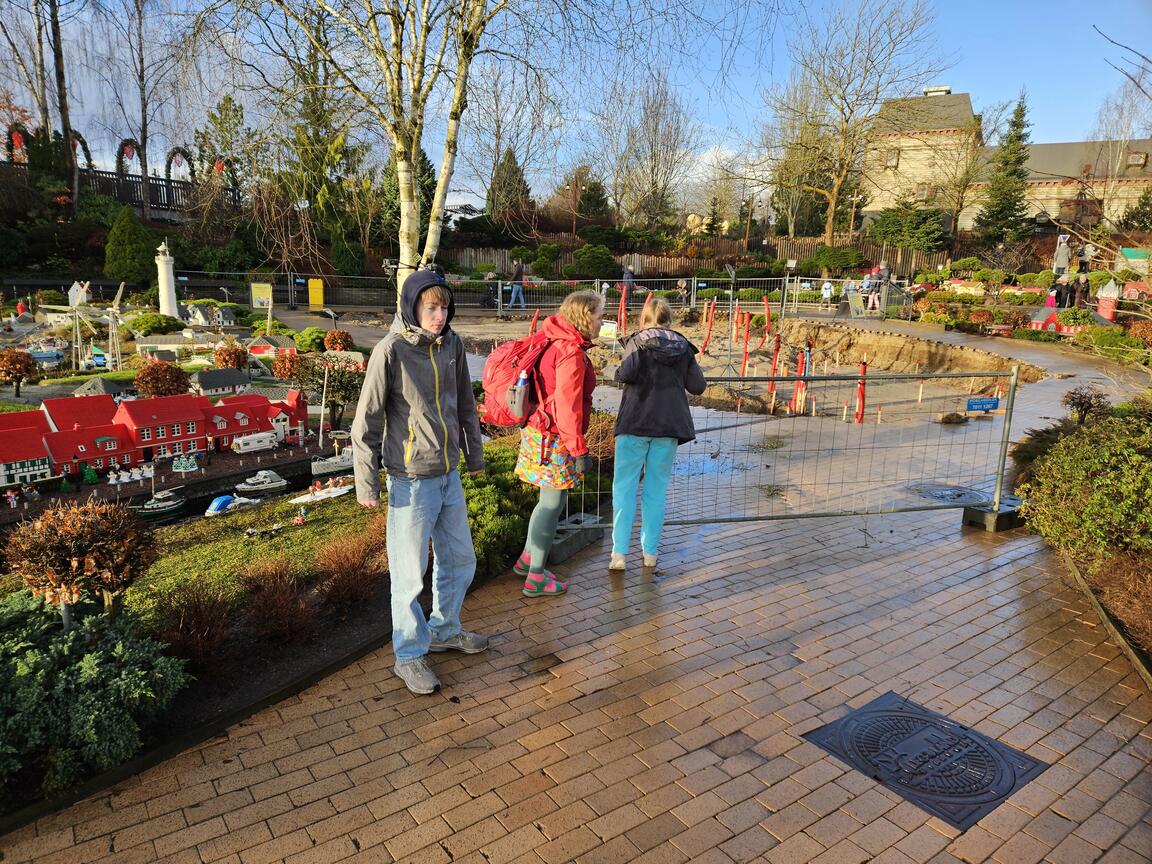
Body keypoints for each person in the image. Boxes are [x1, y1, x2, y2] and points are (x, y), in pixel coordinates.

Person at [351, 270, 487, 696]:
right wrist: (366, 485)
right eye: (431, 307)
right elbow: (365, 423)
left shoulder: (453, 345)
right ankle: (409, 655)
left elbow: (466, 404)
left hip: (449, 476)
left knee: (460, 560)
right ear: (412, 306)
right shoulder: (390, 351)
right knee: (410, 575)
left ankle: (445, 629)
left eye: (444, 306)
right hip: (410, 480)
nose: (439, 314)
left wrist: (475, 457)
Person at [512, 290, 604, 597]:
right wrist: (579, 449)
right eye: (600, 316)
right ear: (585, 317)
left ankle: (528, 559)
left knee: (550, 502)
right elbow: (567, 405)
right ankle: (536, 576)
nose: (603, 323)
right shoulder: (570, 353)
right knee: (551, 504)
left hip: (541, 431)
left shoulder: (554, 339)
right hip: (555, 439)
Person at [610, 298, 706, 571]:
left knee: (624, 489)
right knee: (656, 491)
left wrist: (615, 368)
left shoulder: (638, 340)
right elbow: (698, 386)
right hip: (668, 427)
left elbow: (624, 373)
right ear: (669, 320)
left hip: (634, 424)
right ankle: (650, 554)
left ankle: (619, 554)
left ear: (644, 320)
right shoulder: (683, 346)